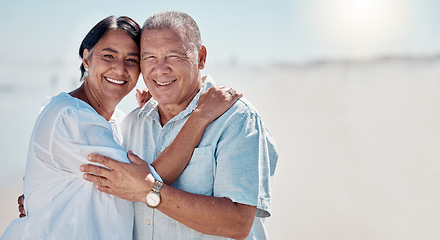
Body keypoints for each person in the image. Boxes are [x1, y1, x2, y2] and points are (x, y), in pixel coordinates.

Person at [2, 15, 241, 240]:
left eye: (132, 60)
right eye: (108, 56)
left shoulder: (119, 121)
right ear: (86, 59)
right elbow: (140, 182)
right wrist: (199, 116)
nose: (119, 68)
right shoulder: (69, 116)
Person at [80, 11, 278, 239]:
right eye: (149, 57)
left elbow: (238, 223)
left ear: (200, 58)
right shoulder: (132, 124)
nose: (161, 69)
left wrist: (151, 190)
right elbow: (95, 186)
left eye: (174, 56)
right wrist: (38, 201)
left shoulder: (235, 118)